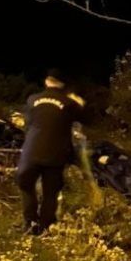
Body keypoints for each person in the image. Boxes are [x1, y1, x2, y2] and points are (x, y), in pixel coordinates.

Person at [17, 69, 85, 235]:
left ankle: (30, 222)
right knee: (50, 192)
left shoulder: (32, 99)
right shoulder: (69, 103)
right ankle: (45, 226)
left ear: (47, 81)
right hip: (56, 153)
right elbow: (84, 117)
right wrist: (78, 101)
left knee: (26, 184)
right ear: (62, 84)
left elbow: (28, 123)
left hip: (32, 150)